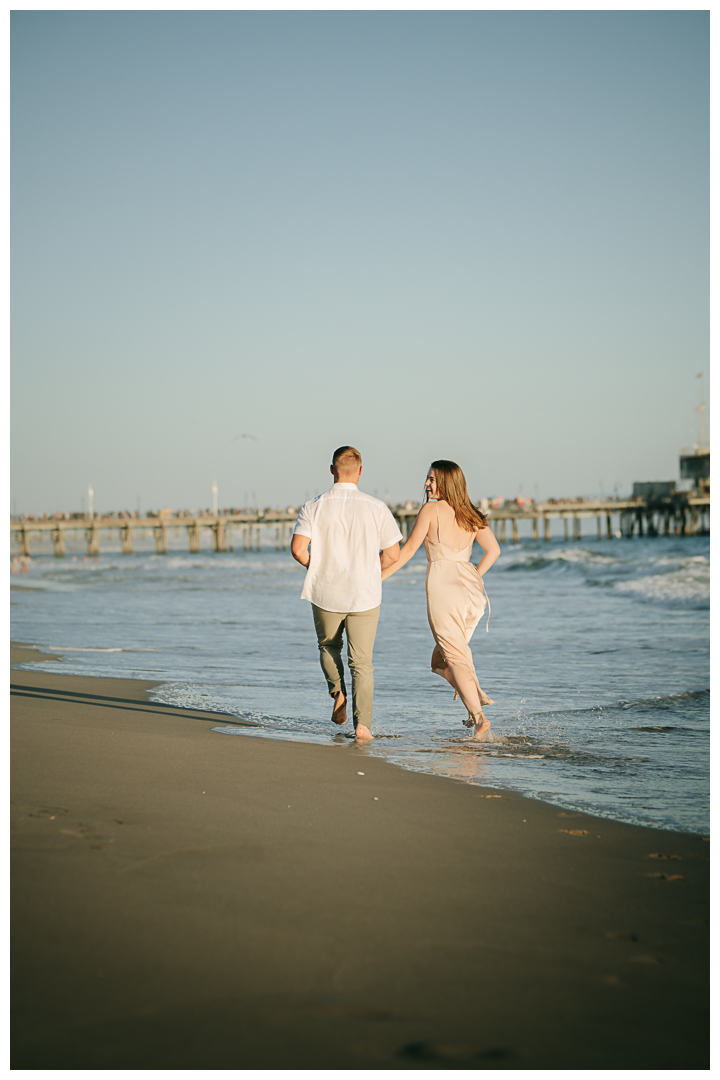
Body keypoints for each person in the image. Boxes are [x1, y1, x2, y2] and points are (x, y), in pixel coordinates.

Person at [381, 460, 501, 740]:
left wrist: (379, 578)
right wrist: (475, 575)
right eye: (427, 478)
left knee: (454, 657)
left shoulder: (431, 510)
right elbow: (493, 550)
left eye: (432, 480)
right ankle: (473, 692)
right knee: (442, 657)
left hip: (444, 590)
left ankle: (479, 717)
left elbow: (408, 551)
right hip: (472, 592)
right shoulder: (471, 513)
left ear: (447, 482)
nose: (426, 484)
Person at [291, 446, 402, 742]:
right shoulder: (376, 507)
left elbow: (298, 550)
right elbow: (393, 554)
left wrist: (319, 568)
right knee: (362, 663)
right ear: (361, 471)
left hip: (325, 590)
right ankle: (362, 726)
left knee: (328, 646)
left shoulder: (313, 506)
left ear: (331, 470)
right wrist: (368, 572)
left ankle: (337, 692)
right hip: (365, 595)